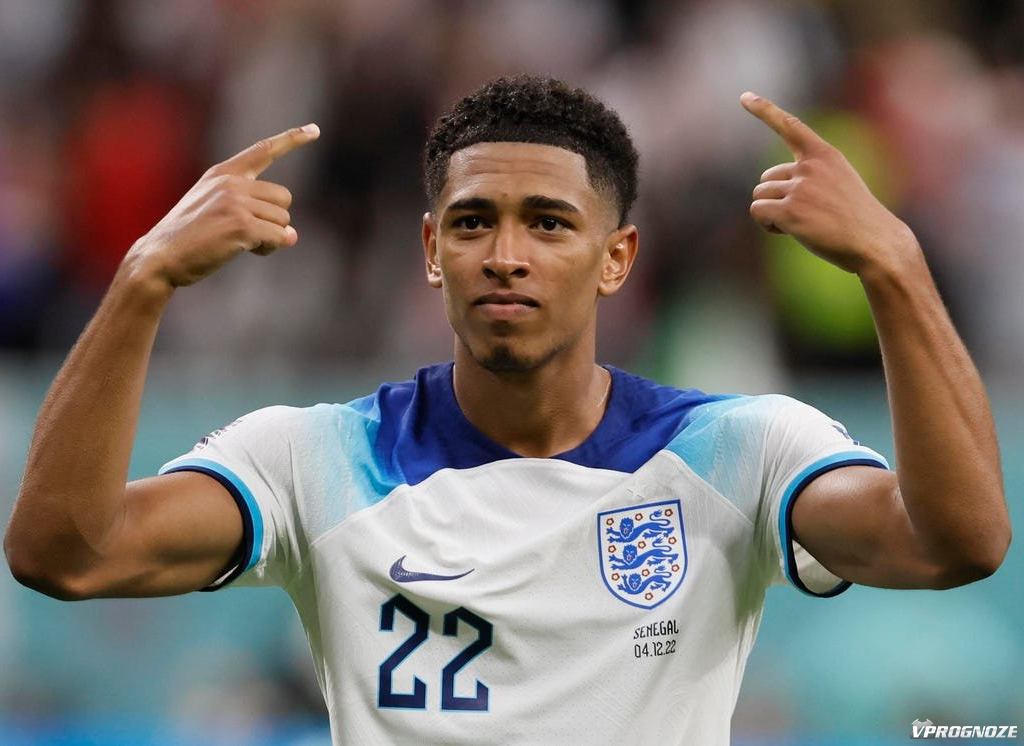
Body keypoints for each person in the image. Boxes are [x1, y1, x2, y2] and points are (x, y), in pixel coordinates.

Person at [4, 76, 1010, 744]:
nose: (506, 255)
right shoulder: (317, 458)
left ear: (616, 257)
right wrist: (141, 281)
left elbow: (956, 542)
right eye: (474, 222)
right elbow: (65, 554)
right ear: (432, 250)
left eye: (550, 223)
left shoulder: (735, 451)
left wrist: (895, 264)